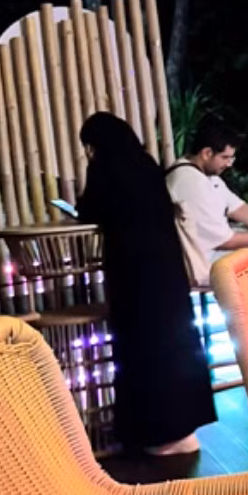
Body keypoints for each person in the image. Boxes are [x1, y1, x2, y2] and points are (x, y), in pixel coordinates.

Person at [77, 112, 216, 457]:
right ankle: (184, 429)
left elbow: (90, 210)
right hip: (167, 270)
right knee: (174, 344)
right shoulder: (148, 165)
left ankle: (156, 435)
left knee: (141, 351)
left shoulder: (104, 167)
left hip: (133, 274)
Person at [165, 114, 248, 282]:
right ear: (207, 153)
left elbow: (239, 208)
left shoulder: (206, 175)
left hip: (214, 252)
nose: (229, 164)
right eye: (225, 158)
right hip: (201, 262)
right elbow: (226, 241)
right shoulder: (190, 182)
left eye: (232, 158)